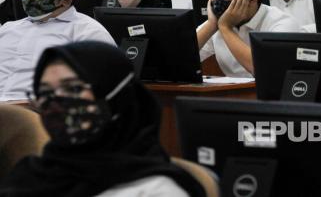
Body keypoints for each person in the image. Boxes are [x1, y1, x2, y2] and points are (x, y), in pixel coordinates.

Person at [0, 41, 205, 196]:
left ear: (118, 98)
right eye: (45, 93)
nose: (55, 103)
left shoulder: (155, 189)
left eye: (74, 89)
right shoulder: (31, 174)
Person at [0, 0, 115, 102]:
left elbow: (105, 89)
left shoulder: (87, 33)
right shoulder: (8, 28)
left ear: (65, 0)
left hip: (38, 116)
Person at [197, 0, 299, 78]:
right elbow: (178, 59)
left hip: (270, 93)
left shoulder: (282, 23)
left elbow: (265, 71)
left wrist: (226, 28)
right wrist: (211, 26)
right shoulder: (217, 23)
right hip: (231, 93)